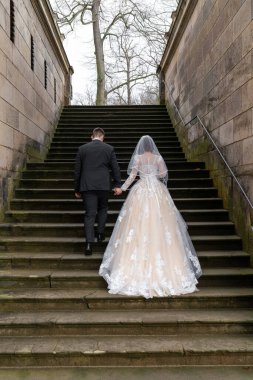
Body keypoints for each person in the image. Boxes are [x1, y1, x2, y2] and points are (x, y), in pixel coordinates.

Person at [99, 135, 202, 298]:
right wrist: (154, 174)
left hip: (140, 191)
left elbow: (132, 176)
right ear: (152, 146)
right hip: (157, 191)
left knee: (137, 224)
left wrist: (122, 189)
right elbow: (163, 174)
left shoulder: (138, 158)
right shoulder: (158, 158)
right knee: (162, 225)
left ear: (141, 146)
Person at [74, 127, 122, 255]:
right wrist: (118, 184)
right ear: (102, 137)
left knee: (90, 214)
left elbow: (77, 171)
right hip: (103, 185)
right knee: (103, 209)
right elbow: (115, 168)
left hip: (87, 185)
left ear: (92, 136)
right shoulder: (109, 149)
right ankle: (100, 234)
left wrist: (77, 188)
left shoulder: (82, 149)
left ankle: (89, 244)